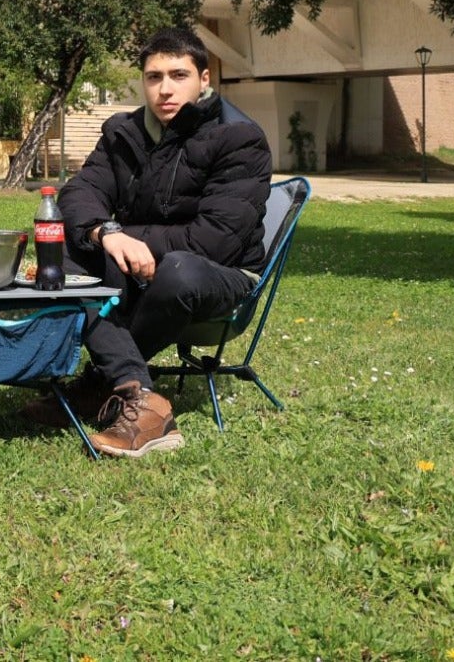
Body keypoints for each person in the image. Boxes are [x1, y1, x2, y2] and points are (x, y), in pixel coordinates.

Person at [21, 26, 271, 458]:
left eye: (179, 75)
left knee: (177, 268)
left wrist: (127, 236)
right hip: (135, 271)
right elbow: (79, 195)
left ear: (205, 79)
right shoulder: (124, 132)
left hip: (218, 275)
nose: (165, 89)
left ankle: (98, 385)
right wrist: (105, 232)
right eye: (154, 77)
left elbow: (216, 241)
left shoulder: (239, 138)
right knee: (59, 253)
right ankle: (138, 396)